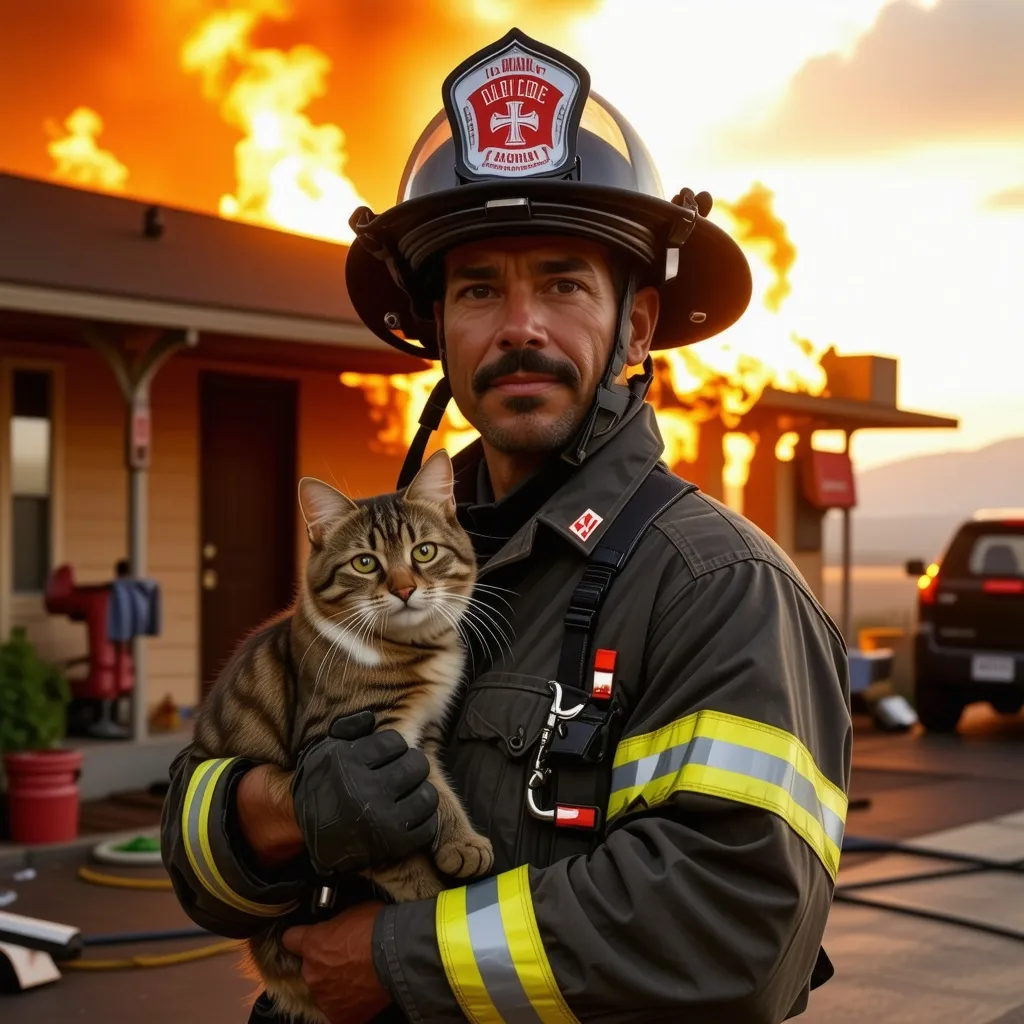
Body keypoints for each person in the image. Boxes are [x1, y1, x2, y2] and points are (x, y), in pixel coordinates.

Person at [161, 28, 851, 1024]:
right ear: (437, 330)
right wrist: (277, 812)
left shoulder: (716, 588)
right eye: (479, 288)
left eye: (564, 281)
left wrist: (397, 955)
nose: (519, 324)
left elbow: (734, 931)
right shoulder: (386, 567)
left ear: (639, 325)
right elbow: (195, 849)